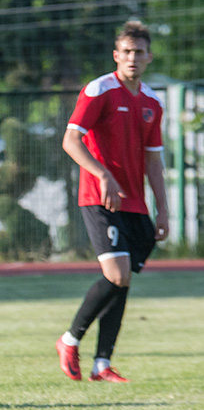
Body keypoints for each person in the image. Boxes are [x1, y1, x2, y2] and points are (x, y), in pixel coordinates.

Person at [56, 21, 169, 383]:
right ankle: (70, 339)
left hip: (135, 203)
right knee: (116, 275)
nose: (133, 58)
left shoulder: (152, 102)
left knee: (122, 282)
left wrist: (163, 207)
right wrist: (102, 173)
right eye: (127, 52)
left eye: (139, 52)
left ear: (149, 57)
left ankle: (101, 363)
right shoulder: (99, 89)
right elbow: (71, 141)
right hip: (98, 197)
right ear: (116, 55)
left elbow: (153, 160)